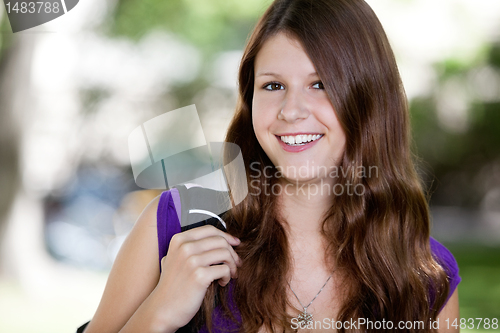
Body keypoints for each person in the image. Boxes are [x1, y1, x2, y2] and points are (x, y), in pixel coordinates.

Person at [83, 0, 460, 332]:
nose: (291, 111)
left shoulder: (424, 275)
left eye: (321, 84)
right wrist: (158, 313)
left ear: (369, 100)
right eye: (273, 86)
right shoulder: (173, 225)